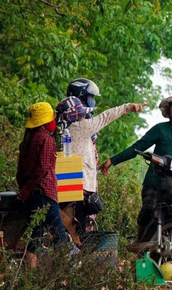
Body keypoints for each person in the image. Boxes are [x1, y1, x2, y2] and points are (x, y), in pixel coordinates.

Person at [99, 92, 172, 264]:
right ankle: (140, 241)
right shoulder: (160, 129)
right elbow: (137, 148)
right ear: (168, 110)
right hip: (156, 181)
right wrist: (112, 160)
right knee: (148, 209)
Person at [56, 96, 145, 237]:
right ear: (76, 115)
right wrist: (128, 107)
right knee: (78, 229)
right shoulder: (81, 127)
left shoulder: (58, 130)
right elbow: (106, 116)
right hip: (80, 188)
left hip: (63, 186)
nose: (85, 115)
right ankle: (75, 256)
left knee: (63, 226)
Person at [16, 102, 67, 268]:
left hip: (33, 196)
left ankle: (30, 275)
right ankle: (64, 277)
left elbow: (20, 172)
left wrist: (24, 191)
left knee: (35, 237)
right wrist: (28, 190)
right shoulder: (45, 139)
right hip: (44, 195)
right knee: (60, 237)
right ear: (46, 121)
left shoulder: (28, 140)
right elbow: (42, 170)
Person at [65, 78, 102, 232]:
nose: (92, 101)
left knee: (88, 213)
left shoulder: (87, 118)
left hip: (89, 174)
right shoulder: (70, 120)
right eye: (90, 97)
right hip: (75, 176)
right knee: (75, 213)